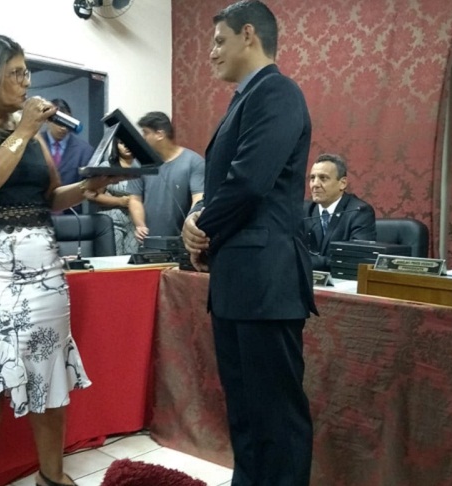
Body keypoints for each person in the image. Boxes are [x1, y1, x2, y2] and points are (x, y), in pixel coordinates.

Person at [0, 34, 122, 486]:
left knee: (49, 374)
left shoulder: (28, 135)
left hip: (41, 273)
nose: (26, 81)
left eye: (26, 71)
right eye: (16, 72)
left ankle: (51, 476)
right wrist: (24, 130)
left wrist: (89, 187)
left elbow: (49, 198)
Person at [181, 2, 316, 485]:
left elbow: (249, 181)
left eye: (219, 41)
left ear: (249, 35)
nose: (211, 53)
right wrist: (197, 219)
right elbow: (226, 186)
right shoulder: (244, 98)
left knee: (276, 418)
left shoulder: (278, 92)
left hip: (266, 281)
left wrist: (202, 227)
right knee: (245, 414)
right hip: (239, 280)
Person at [128, 111, 204, 242]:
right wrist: (140, 225)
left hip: (182, 242)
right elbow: (135, 199)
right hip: (149, 241)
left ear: (160, 134)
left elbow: (198, 198)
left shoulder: (194, 162)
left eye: (146, 133)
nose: (143, 138)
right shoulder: (139, 163)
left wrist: (189, 226)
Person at [302, 153, 376, 271]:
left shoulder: (359, 212)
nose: (315, 184)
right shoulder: (304, 210)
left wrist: (307, 262)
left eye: (323, 178)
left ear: (343, 183)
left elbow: (357, 259)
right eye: (312, 178)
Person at [40, 98, 94, 213]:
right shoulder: (33, 144)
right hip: (38, 212)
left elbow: (90, 188)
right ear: (48, 120)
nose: (63, 128)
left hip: (71, 215)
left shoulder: (84, 150)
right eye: (59, 122)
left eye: (67, 122)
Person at [87, 138, 140, 254]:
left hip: (135, 223)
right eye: (121, 143)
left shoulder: (143, 167)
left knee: (133, 260)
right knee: (114, 258)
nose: (126, 146)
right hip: (111, 222)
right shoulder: (107, 166)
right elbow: (92, 195)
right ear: (116, 145)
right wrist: (120, 201)